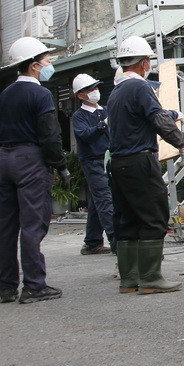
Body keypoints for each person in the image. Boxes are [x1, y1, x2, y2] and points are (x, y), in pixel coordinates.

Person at [108, 35, 184, 295]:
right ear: (143, 63)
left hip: (119, 163)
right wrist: (181, 143)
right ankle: (151, 278)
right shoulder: (141, 88)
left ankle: (129, 280)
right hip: (140, 160)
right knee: (154, 216)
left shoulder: (116, 91)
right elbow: (158, 119)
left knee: (129, 219)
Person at [0, 37, 69, 304]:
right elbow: (50, 135)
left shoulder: (6, 93)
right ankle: (35, 285)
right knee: (32, 225)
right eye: (48, 61)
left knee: (7, 227)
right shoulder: (40, 94)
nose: (51, 65)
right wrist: (60, 165)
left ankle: (7, 286)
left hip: (5, 159)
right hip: (30, 159)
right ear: (35, 66)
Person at [72, 73, 114, 256]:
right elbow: (85, 135)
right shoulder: (79, 116)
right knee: (105, 200)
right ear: (80, 95)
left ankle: (92, 242)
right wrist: (102, 125)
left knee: (99, 202)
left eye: (96, 88)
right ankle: (117, 242)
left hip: (108, 159)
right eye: (90, 89)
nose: (95, 92)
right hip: (92, 161)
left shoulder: (104, 110)